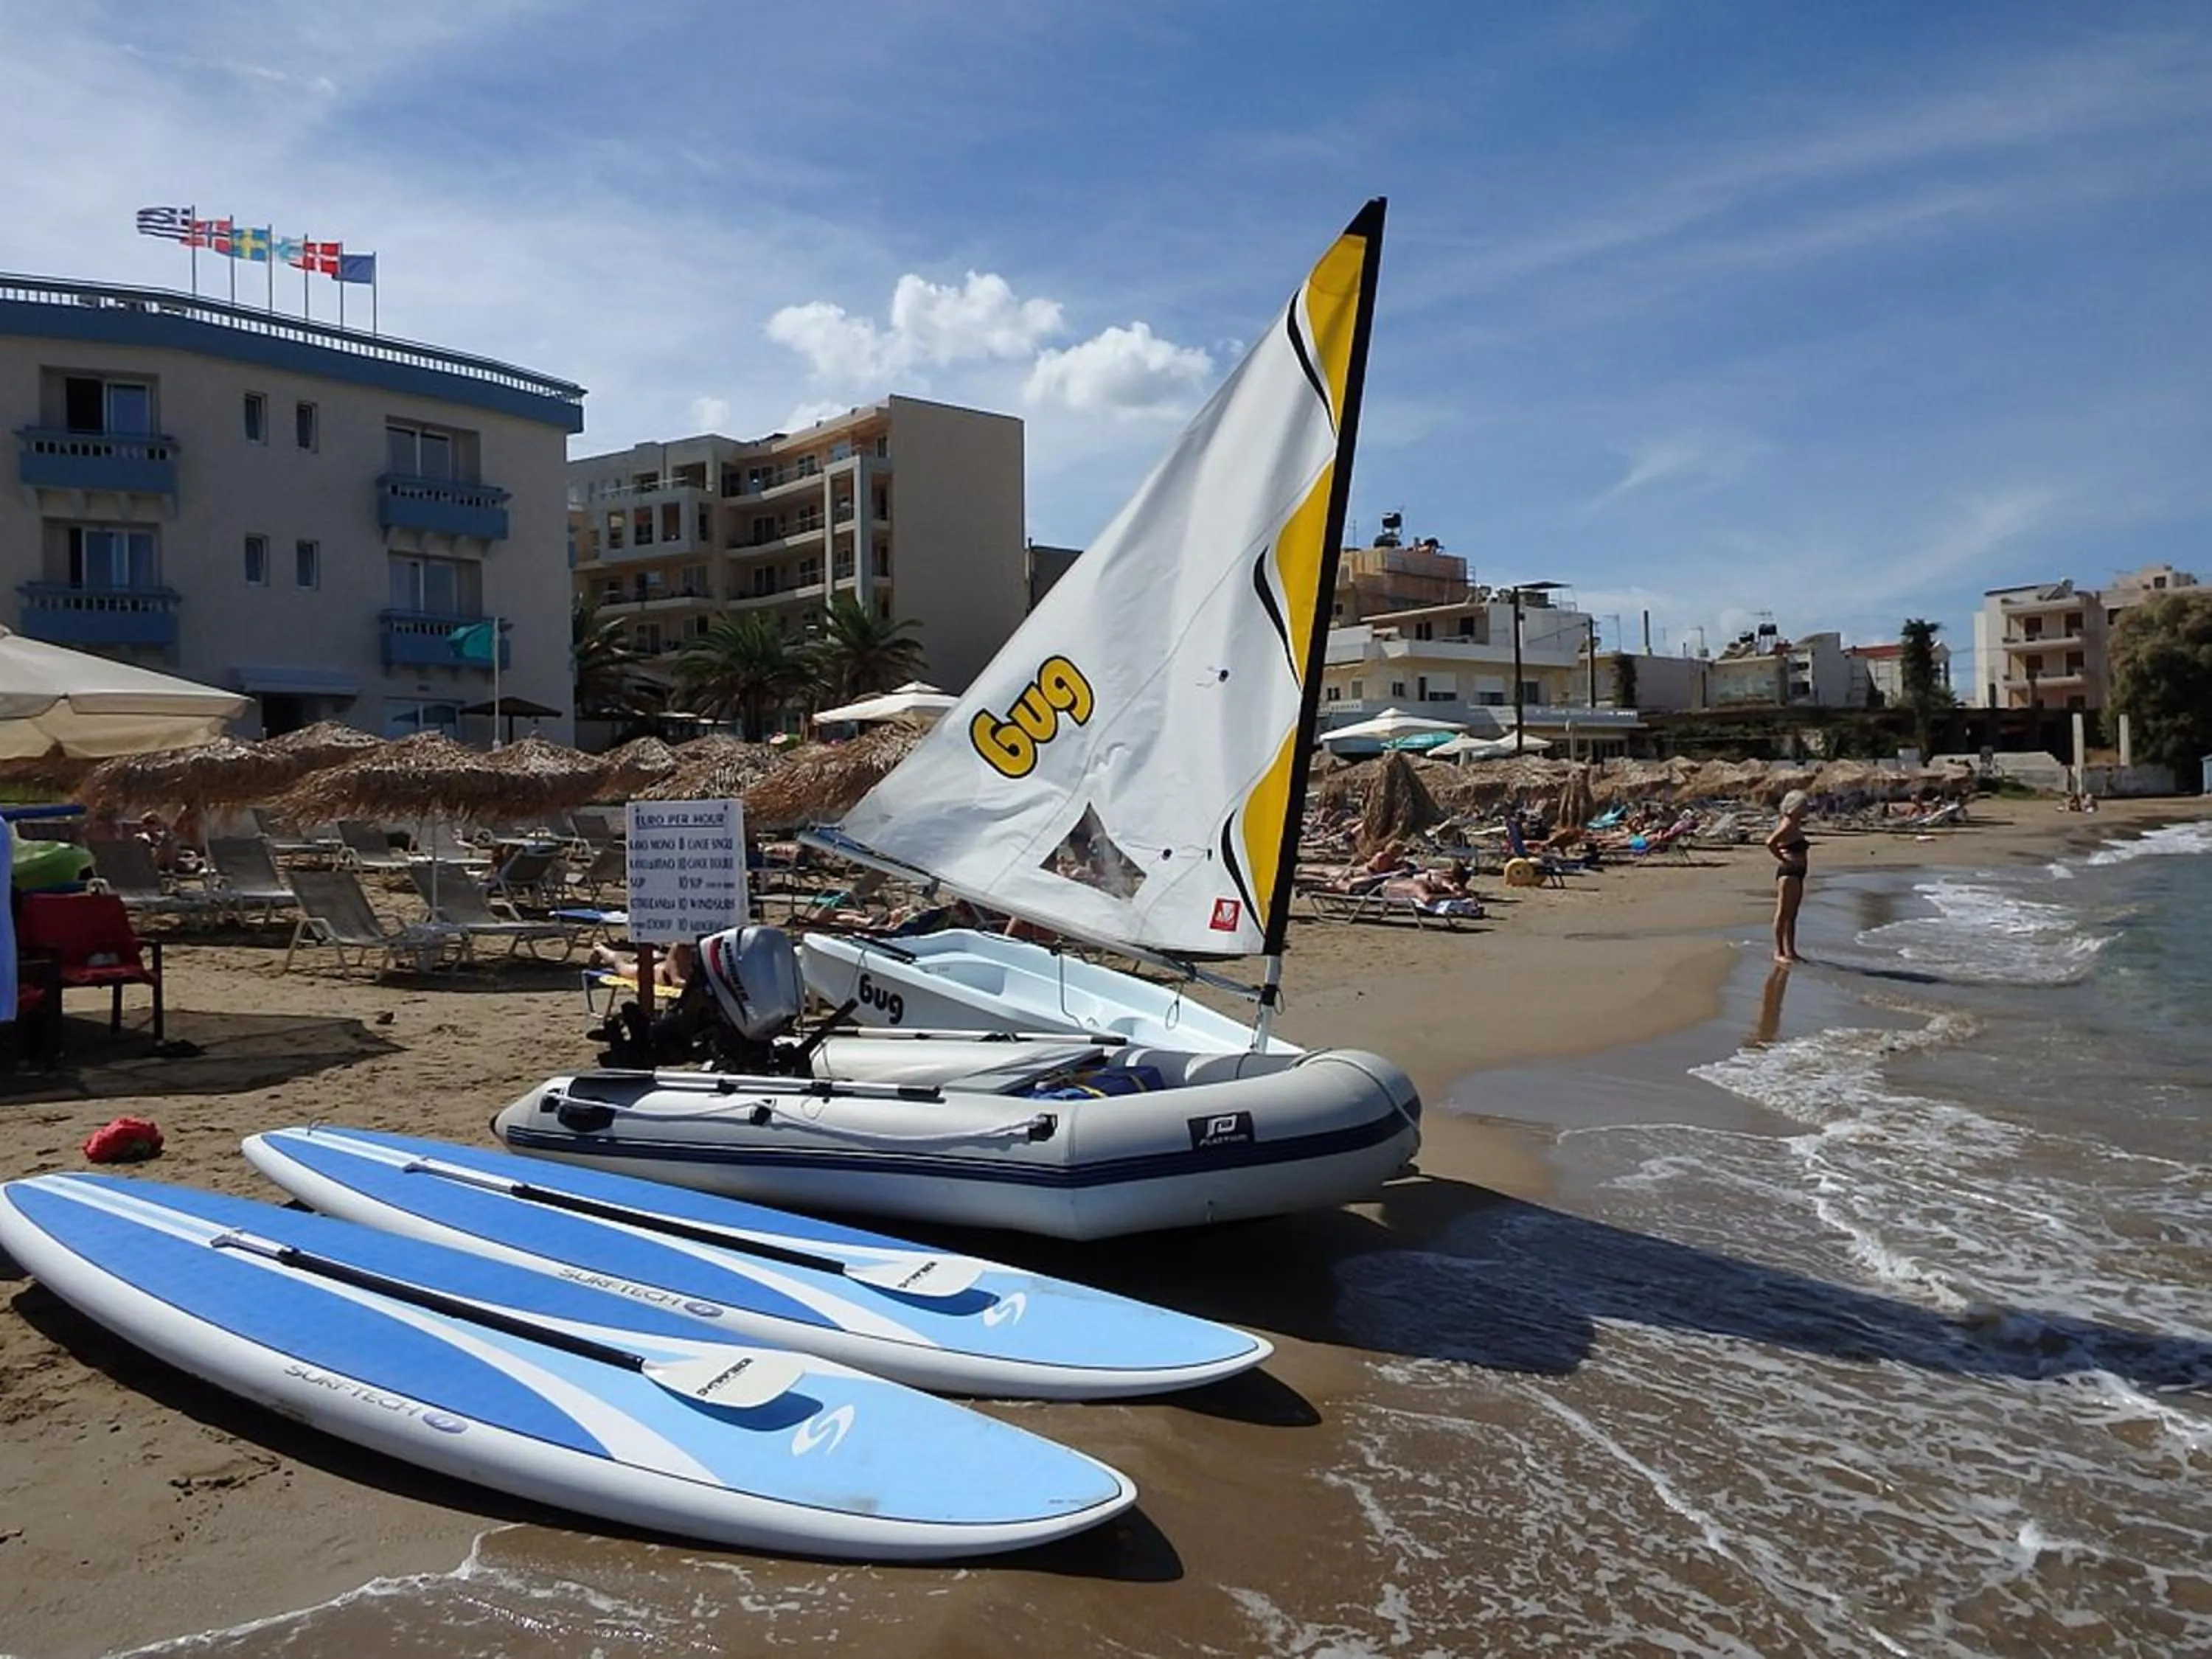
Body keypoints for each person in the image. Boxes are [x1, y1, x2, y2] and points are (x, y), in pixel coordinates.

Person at [1767, 789, 1811, 965]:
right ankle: (1779, 951)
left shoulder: (1795, 824)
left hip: (1798, 872)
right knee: (1783, 913)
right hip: (1789, 873)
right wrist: (1783, 858)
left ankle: (1791, 951)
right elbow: (1770, 842)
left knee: (1793, 914)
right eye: (1804, 806)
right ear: (1795, 807)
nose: (1807, 809)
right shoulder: (1787, 824)